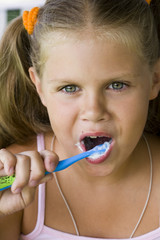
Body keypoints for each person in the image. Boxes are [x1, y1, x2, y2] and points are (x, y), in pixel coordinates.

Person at [0, 0, 160, 239]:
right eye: (69, 88)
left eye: (117, 85)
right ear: (39, 87)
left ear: (155, 80)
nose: (93, 111)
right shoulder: (13, 180)